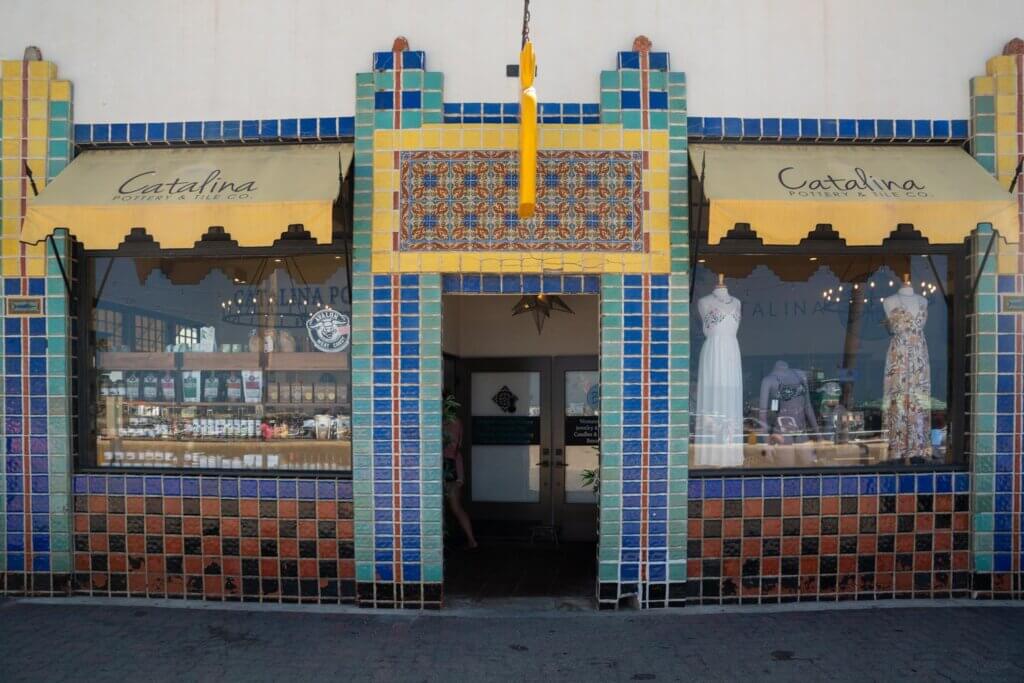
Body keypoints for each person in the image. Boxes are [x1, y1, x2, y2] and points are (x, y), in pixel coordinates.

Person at [443, 392, 478, 548]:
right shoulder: (456, 422)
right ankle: (471, 540)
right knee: (455, 506)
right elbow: (457, 448)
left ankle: (470, 540)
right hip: (452, 464)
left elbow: (451, 447)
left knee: (449, 506)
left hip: (445, 464)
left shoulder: (446, 422)